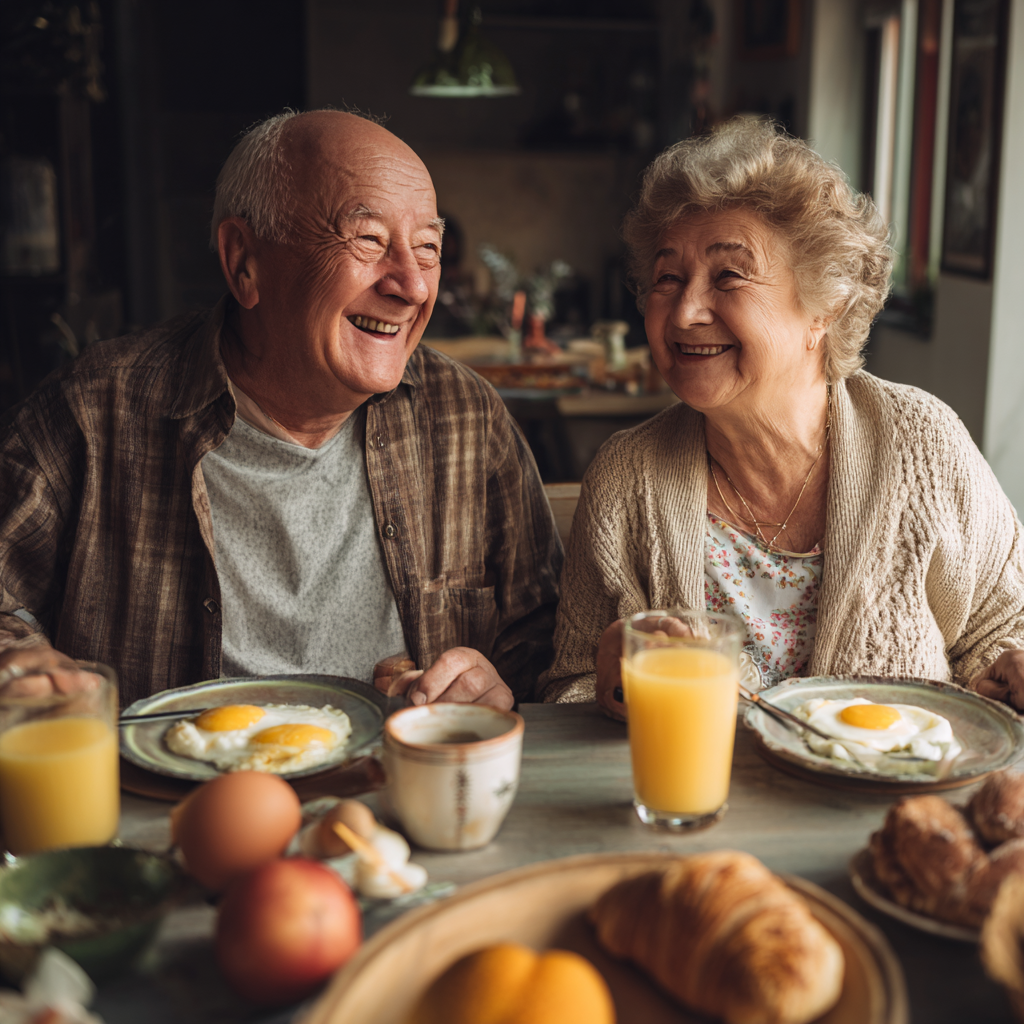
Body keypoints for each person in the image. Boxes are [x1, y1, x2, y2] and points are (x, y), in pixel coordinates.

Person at [0, 110, 562, 709]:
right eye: (369, 239)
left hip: (394, 791)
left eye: (427, 248)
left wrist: (493, 688)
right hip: (167, 799)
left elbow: (540, 640)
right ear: (244, 261)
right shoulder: (91, 414)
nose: (413, 285)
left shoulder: (465, 417)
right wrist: (21, 665)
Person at [541, 118, 1024, 714]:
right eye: (668, 277)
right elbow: (569, 693)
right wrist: (615, 685)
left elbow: (1002, 626)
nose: (686, 310)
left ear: (824, 305)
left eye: (729, 276)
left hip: (887, 800)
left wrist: (1007, 667)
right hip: (707, 806)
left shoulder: (922, 444)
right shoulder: (626, 477)